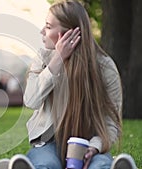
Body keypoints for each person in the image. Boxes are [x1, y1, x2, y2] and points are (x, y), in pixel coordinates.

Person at [23, 0, 123, 168]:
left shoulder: (105, 67)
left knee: (99, 166)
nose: (42, 31)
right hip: (48, 144)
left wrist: (94, 147)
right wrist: (57, 60)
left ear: (70, 33)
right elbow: (31, 100)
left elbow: (111, 122)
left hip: (88, 142)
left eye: (48, 26)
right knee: (46, 164)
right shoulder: (43, 59)